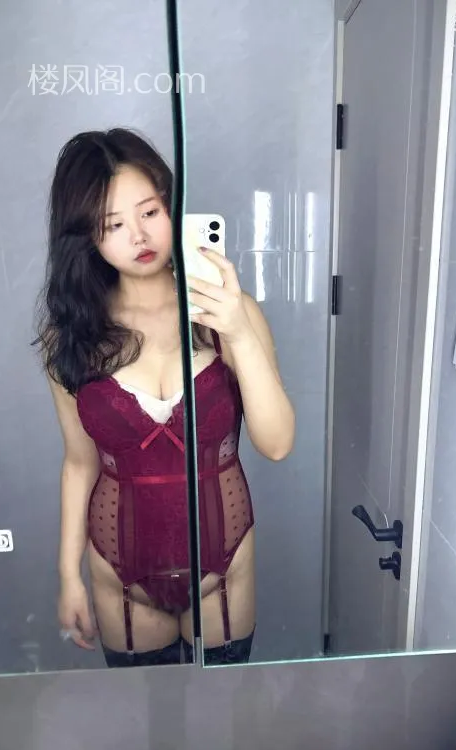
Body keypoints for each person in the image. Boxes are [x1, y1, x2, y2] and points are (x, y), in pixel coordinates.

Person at [33, 127, 295, 667]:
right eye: (113, 224)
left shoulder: (229, 312)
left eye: (149, 212)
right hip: (119, 577)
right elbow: (79, 463)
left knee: (224, 713)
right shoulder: (72, 337)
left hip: (224, 571)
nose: (139, 235)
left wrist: (239, 331)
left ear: (171, 206)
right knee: (147, 716)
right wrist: (67, 577)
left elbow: (277, 444)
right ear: (87, 237)